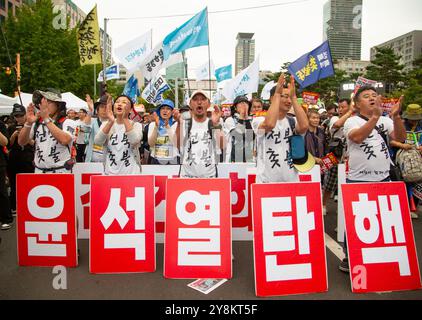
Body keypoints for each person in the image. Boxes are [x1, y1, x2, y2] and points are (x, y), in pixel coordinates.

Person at [339, 86, 406, 273]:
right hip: (359, 180)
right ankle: (348, 256)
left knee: (383, 219)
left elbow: (401, 138)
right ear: (357, 104)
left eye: (374, 96)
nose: (371, 98)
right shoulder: (351, 121)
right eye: (366, 96)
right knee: (357, 220)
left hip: (384, 179)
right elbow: (358, 137)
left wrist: (396, 117)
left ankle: (380, 255)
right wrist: (375, 118)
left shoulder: (386, 120)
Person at [252, 74, 310, 183]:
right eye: (285, 96)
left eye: (290, 97)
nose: (289, 101)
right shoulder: (258, 120)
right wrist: (278, 94)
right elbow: (269, 124)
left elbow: (304, 126)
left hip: (291, 182)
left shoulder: (292, 121)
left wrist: (294, 97)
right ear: (272, 98)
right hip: (266, 183)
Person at [18, 89, 76, 174]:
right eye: (42, 102)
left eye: (48, 102)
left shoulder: (67, 122)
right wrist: (28, 123)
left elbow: (65, 140)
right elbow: (21, 142)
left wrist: (46, 119)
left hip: (60, 172)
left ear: (58, 105)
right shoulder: (37, 123)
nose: (44, 105)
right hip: (39, 171)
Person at [176, 90, 225, 178]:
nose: (199, 102)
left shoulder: (214, 123)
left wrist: (216, 125)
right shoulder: (183, 123)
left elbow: (222, 145)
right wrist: (179, 124)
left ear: (209, 104)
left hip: (209, 177)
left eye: (203, 99)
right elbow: (177, 144)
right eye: (195, 100)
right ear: (190, 104)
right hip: (187, 177)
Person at [94, 95, 143, 175]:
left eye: (124, 102)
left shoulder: (136, 125)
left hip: (131, 174)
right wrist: (110, 122)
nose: (119, 104)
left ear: (130, 109)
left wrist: (125, 119)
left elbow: (134, 140)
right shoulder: (106, 124)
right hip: (110, 173)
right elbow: (98, 142)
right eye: (117, 102)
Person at [390, 103, 422, 219]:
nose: (414, 121)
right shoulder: (400, 125)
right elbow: (391, 141)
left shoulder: (421, 125)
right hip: (402, 159)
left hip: (418, 159)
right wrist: (402, 145)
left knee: (418, 182)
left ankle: (414, 207)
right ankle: (405, 207)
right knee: (404, 182)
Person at [322, 98, 353, 214]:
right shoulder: (335, 118)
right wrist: (350, 112)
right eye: (339, 107)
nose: (340, 110)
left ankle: (344, 214)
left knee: (346, 185)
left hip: (349, 157)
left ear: (349, 106)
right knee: (330, 183)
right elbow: (336, 125)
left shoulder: (355, 119)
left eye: (343, 107)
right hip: (335, 155)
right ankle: (323, 204)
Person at [7, 104, 35, 216]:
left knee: (29, 182)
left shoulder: (31, 126)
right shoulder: (10, 127)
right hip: (14, 159)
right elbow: (7, 145)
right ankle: (14, 206)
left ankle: (30, 204)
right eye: (16, 116)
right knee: (14, 184)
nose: (18, 118)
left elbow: (35, 144)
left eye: (21, 115)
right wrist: (14, 136)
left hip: (28, 158)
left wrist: (25, 138)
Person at [224, 95, 255, 163]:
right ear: (235, 107)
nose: (244, 105)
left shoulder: (252, 120)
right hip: (233, 159)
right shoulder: (230, 120)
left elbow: (251, 137)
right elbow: (238, 136)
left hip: (248, 159)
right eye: (241, 103)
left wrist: (246, 118)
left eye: (246, 103)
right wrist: (241, 116)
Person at [148, 99, 179, 165]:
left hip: (173, 159)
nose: (165, 110)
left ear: (172, 111)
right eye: (162, 108)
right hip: (156, 159)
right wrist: (156, 127)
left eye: (168, 108)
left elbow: (176, 143)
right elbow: (151, 144)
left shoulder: (176, 124)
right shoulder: (152, 124)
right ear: (159, 111)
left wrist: (167, 126)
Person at [83, 95, 109, 163]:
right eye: (102, 107)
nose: (104, 109)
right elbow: (85, 129)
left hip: (108, 161)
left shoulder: (114, 123)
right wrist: (90, 110)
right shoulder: (92, 121)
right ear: (97, 110)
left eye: (107, 107)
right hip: (92, 160)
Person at [0, 118, 12, 230]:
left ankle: (6, 219)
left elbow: (5, 142)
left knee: (1, 191)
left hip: (0, 162)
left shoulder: (1, 124)